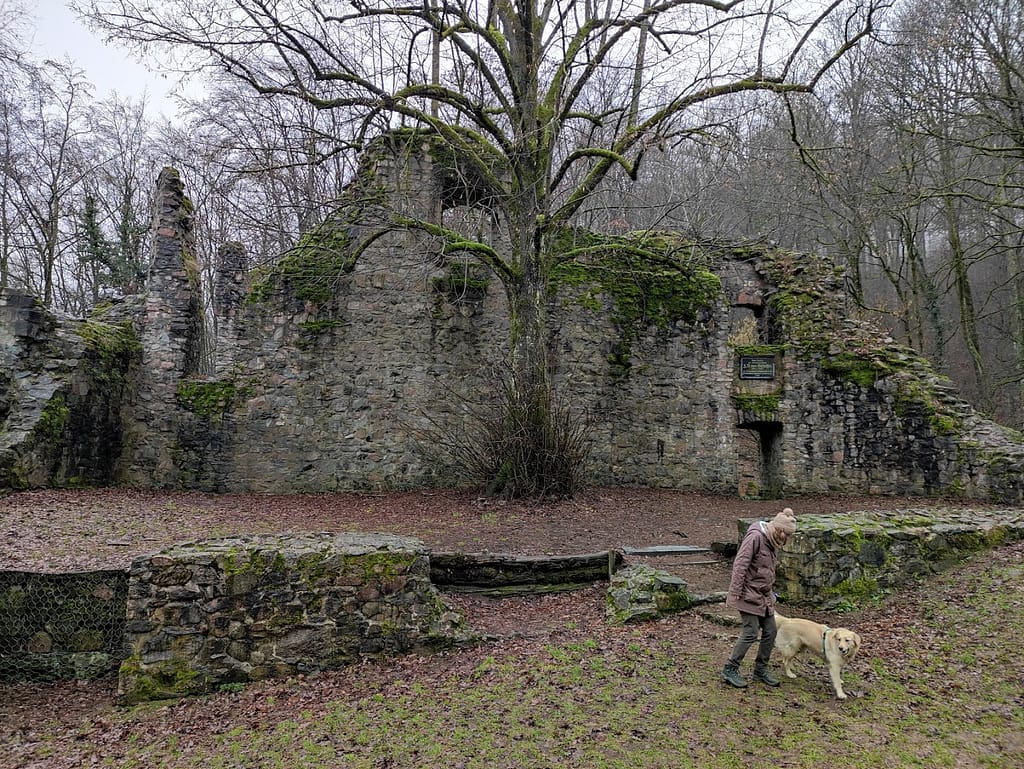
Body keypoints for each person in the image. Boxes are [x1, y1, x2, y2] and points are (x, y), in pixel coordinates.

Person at [721, 507, 797, 689]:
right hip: (746, 593)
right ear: (780, 531)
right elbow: (741, 564)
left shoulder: (772, 541)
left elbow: (765, 570)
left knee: (771, 631)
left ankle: (760, 670)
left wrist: (770, 592)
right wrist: (736, 591)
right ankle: (730, 669)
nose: (787, 539)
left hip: (763, 595)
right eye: (787, 535)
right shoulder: (756, 537)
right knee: (750, 632)